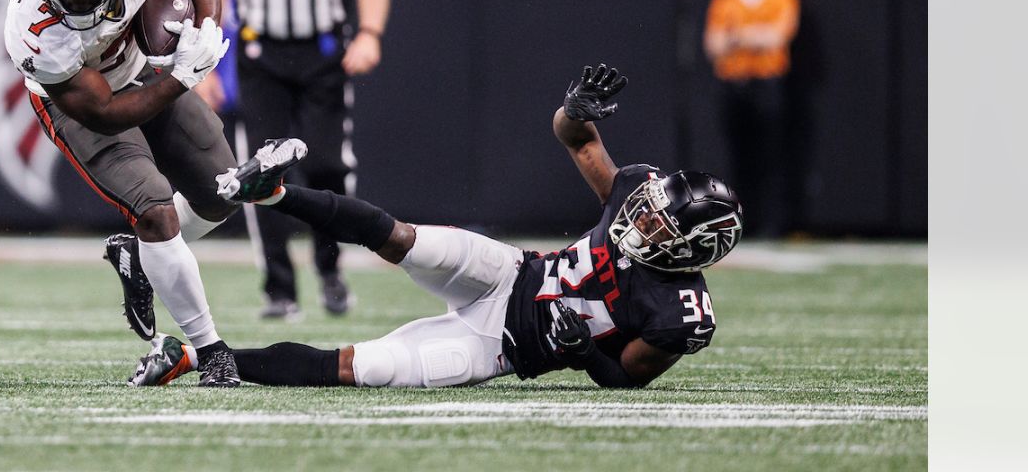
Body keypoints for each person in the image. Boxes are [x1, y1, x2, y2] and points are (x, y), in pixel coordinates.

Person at [127, 62, 743, 389]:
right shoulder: (635, 191)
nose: (645, 215)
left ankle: (202, 359)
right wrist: (573, 110)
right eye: (652, 206)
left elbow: (625, 379)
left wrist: (585, 353)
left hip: (503, 346)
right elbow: (579, 142)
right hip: (516, 272)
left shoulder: (680, 312)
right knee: (400, 237)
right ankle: (272, 192)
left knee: (370, 367)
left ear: (694, 248)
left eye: (663, 223)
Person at [3, 0, 303, 386]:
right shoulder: (34, 32)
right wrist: (183, 78)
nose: (79, 5)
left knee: (222, 194)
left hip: (140, 69)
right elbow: (105, 113)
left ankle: (137, 255)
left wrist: (205, 32)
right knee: (154, 210)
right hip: (84, 99)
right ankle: (211, 351)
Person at [198, 0, 392, 320]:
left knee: (329, 165)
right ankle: (279, 288)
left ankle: (330, 269)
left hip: (324, 54)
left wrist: (369, 33)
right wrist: (205, 66)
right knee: (260, 171)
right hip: (260, 58)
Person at [702, 0, 799, 239]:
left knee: (771, 156)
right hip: (733, 85)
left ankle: (772, 225)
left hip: (767, 85)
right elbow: (714, 46)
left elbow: (776, 37)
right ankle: (736, 223)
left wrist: (736, 36)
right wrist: (750, 34)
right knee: (735, 157)